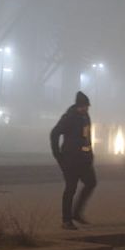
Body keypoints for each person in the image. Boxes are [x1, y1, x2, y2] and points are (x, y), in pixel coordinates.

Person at [49, 91, 96, 230]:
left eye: (87, 106)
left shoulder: (85, 117)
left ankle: (76, 213)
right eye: (84, 106)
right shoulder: (69, 118)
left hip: (84, 160)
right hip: (70, 159)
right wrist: (58, 154)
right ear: (78, 106)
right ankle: (66, 220)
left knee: (91, 183)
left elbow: (87, 137)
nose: (86, 109)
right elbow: (54, 133)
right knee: (70, 188)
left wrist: (90, 154)